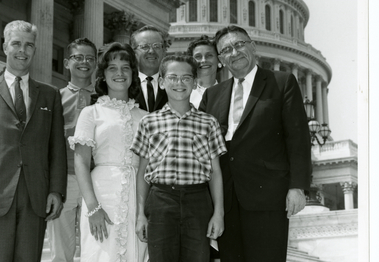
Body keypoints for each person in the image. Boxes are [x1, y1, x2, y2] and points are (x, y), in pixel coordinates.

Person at [199, 25, 311, 262]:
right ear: (220, 59)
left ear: (252, 45)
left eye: (240, 44)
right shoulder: (213, 95)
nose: (235, 52)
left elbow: (298, 138)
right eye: (226, 49)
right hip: (226, 200)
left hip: (267, 195)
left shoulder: (281, 82)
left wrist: (297, 186)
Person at [0, 20, 67, 261]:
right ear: (5, 45)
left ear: (35, 50)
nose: (22, 50)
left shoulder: (50, 95)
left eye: (29, 45)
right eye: (16, 43)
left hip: (35, 197)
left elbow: (56, 149)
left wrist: (57, 191)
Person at [131, 55, 227, 262]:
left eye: (186, 78)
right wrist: (140, 215)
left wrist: (218, 213)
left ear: (194, 82)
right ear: (162, 82)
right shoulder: (149, 122)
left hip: (198, 200)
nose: (179, 83)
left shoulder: (209, 123)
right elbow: (142, 173)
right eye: (173, 77)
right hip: (161, 200)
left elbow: (216, 172)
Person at [69, 42, 149, 262]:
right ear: (103, 75)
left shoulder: (145, 117)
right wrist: (93, 208)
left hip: (135, 195)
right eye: (112, 68)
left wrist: (143, 212)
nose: (119, 73)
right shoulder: (90, 112)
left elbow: (145, 168)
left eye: (125, 67)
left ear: (133, 74)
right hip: (101, 195)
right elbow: (81, 163)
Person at [46, 38, 97, 262]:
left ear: (96, 64)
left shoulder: (103, 99)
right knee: (61, 250)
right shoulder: (55, 98)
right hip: (64, 180)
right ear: (67, 63)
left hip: (95, 180)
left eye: (90, 58)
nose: (84, 62)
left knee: (96, 244)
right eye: (78, 57)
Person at [130, 25, 169, 112]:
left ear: (163, 51)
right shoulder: (126, 84)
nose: (151, 51)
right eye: (145, 46)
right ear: (133, 52)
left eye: (156, 46)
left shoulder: (172, 84)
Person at [186, 35, 223, 109]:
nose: (204, 60)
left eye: (209, 55)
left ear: (219, 59)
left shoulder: (229, 93)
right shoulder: (184, 94)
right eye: (198, 57)